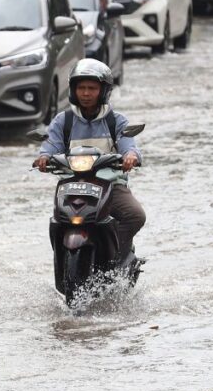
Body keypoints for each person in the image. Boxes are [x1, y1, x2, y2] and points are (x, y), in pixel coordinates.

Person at [33, 59, 145, 262]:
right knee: (58, 221)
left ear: (103, 91)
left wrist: (131, 156)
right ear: (73, 90)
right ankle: (62, 262)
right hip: (71, 186)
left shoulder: (116, 120)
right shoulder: (62, 121)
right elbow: (50, 145)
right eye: (81, 88)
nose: (85, 93)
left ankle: (117, 258)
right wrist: (43, 157)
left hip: (110, 186)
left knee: (135, 215)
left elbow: (129, 144)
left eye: (91, 88)